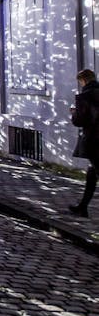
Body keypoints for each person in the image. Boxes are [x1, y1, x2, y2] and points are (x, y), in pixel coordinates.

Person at [69, 68, 99, 217]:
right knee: (91, 175)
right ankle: (82, 207)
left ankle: (82, 207)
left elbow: (79, 121)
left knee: (96, 173)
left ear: (83, 80)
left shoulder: (83, 97)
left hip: (94, 141)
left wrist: (74, 113)